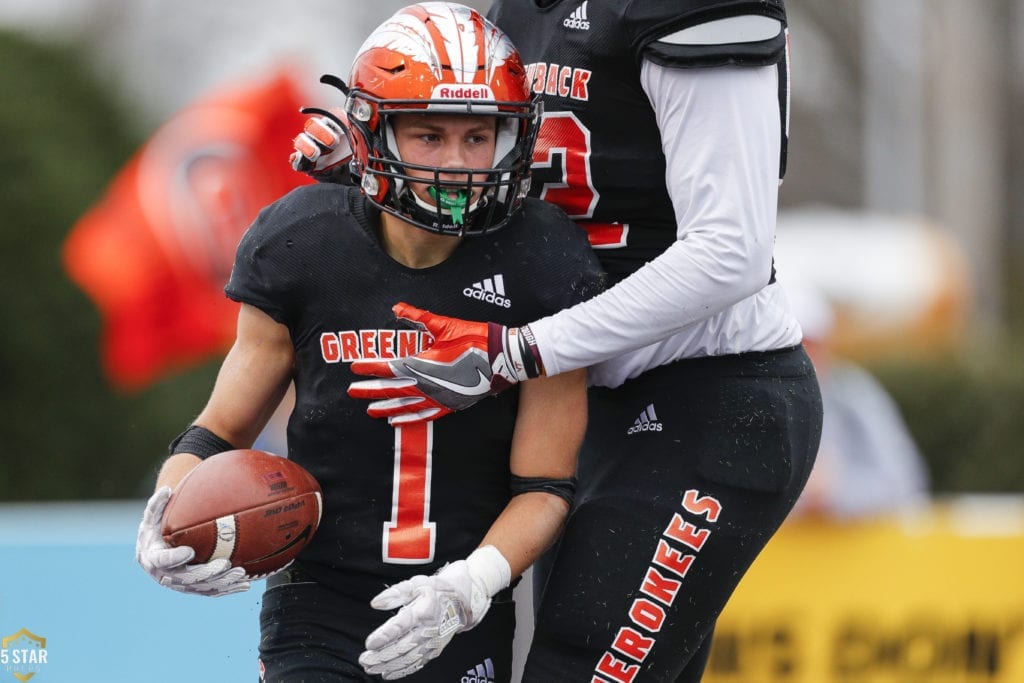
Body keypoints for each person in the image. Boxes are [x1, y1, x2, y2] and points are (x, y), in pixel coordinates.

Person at [295, 1, 824, 680]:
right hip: (585, 405)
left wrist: (520, 351)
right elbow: (499, 190)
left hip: (711, 394)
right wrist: (380, 169)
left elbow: (731, 251)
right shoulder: (519, 10)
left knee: (573, 664)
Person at [134, 4, 605, 682]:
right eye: (428, 135)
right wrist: (166, 509)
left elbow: (546, 483)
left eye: (480, 136)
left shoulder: (545, 259)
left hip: (458, 605)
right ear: (372, 132)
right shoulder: (300, 242)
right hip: (318, 602)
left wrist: (469, 587)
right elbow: (217, 431)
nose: (457, 162)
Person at [786, 283, 930, 520]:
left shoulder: (855, 396)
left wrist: (835, 491)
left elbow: (904, 481)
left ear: (825, 345)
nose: (799, 356)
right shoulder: (744, 402)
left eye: (807, 343)